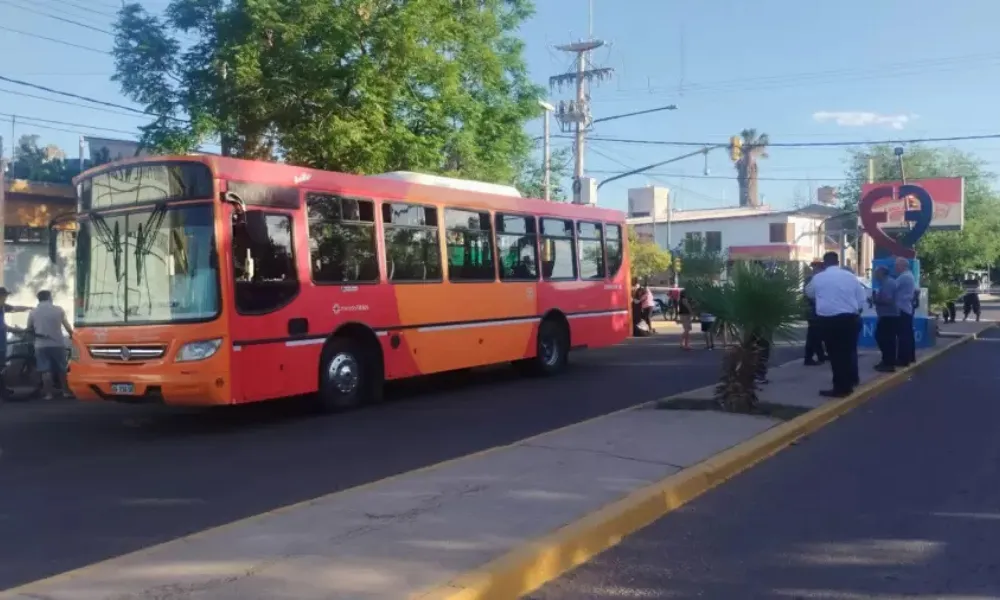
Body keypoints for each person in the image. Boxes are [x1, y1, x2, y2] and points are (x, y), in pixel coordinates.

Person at [805, 252, 866, 398]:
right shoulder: (850, 277)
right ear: (838, 262)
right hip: (850, 319)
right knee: (848, 352)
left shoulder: (818, 278)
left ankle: (841, 387)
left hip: (829, 320)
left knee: (835, 355)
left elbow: (810, 293)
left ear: (824, 263)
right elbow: (861, 298)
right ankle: (850, 381)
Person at [26, 290, 73, 400]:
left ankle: (48, 394)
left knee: (45, 370)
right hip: (57, 343)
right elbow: (66, 325)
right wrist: (71, 334)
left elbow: (29, 328)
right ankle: (66, 392)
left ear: (38, 299)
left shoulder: (33, 312)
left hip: (41, 345)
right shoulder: (58, 310)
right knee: (62, 369)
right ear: (49, 297)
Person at [0, 287, 32, 400]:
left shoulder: (3, 307)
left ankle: (4, 389)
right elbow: (4, 326)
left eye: (6, 296)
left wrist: (28, 308)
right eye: (4, 296)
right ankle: (3, 391)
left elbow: (15, 308)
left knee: (2, 367)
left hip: (2, 343)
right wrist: (18, 330)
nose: (5, 298)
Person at [871, 265, 899, 372]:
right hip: (887, 315)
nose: (875, 275)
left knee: (884, 338)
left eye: (876, 272)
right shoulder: (886, 282)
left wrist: (875, 300)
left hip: (889, 315)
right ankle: (886, 361)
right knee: (886, 339)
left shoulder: (888, 283)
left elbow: (888, 300)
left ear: (881, 273)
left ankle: (888, 363)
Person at [893, 257, 917, 367]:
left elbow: (892, 287)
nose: (895, 267)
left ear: (903, 266)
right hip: (907, 307)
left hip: (902, 308)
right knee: (908, 334)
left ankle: (903, 359)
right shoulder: (910, 276)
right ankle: (910, 356)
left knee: (903, 335)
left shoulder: (904, 277)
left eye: (897, 265)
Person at [803, 261, 827, 366]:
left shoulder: (819, 279)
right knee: (814, 336)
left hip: (818, 312)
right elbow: (809, 295)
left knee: (818, 335)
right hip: (813, 312)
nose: (815, 269)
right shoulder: (811, 279)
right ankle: (809, 358)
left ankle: (821, 355)